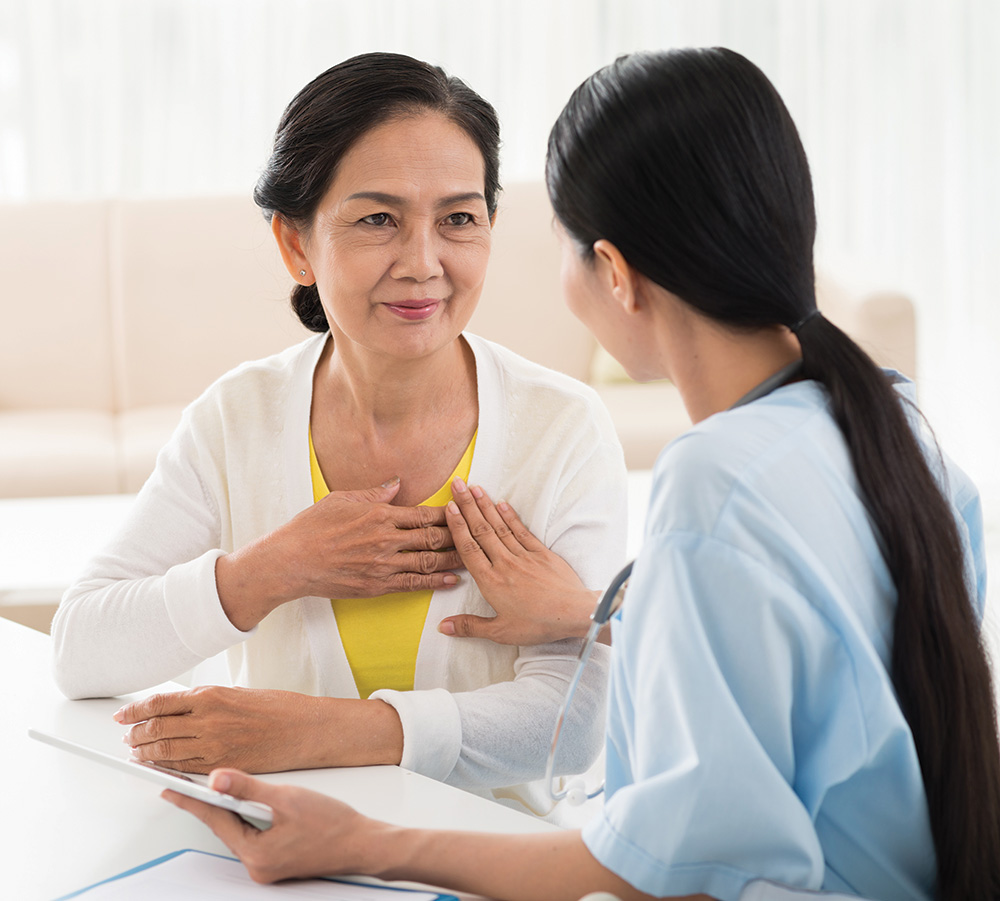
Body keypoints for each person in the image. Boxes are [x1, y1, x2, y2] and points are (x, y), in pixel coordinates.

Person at [165, 47, 1000, 901]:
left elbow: (662, 866)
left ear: (613, 272)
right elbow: (819, 678)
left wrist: (366, 842)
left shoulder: (713, 480)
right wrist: (586, 611)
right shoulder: (895, 429)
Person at [50, 52, 627, 818]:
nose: (423, 263)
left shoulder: (562, 428)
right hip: (275, 858)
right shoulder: (239, 417)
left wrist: (314, 731)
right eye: (378, 219)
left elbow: (571, 722)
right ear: (297, 245)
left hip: (491, 862)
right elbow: (80, 647)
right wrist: (269, 570)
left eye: (459, 218)